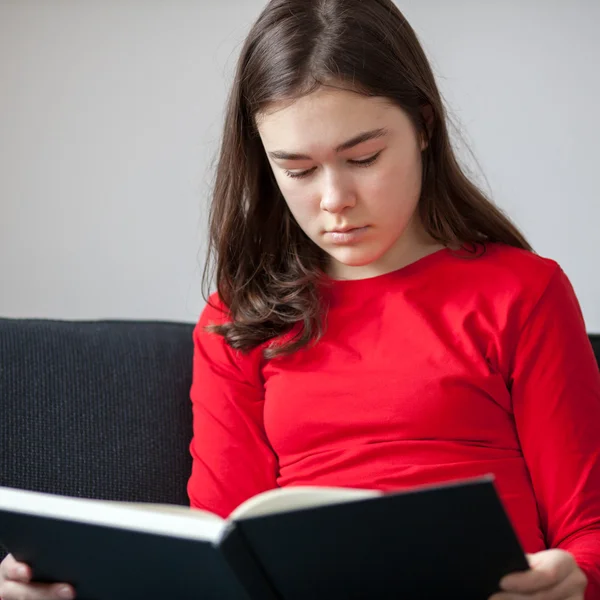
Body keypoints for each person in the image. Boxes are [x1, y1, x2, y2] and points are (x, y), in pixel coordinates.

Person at [2, 0, 599, 598]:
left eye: (363, 158)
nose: (334, 198)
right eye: (298, 169)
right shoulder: (238, 319)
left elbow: (587, 528)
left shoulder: (523, 291)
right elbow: (215, 548)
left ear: (423, 125)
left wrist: (575, 578)